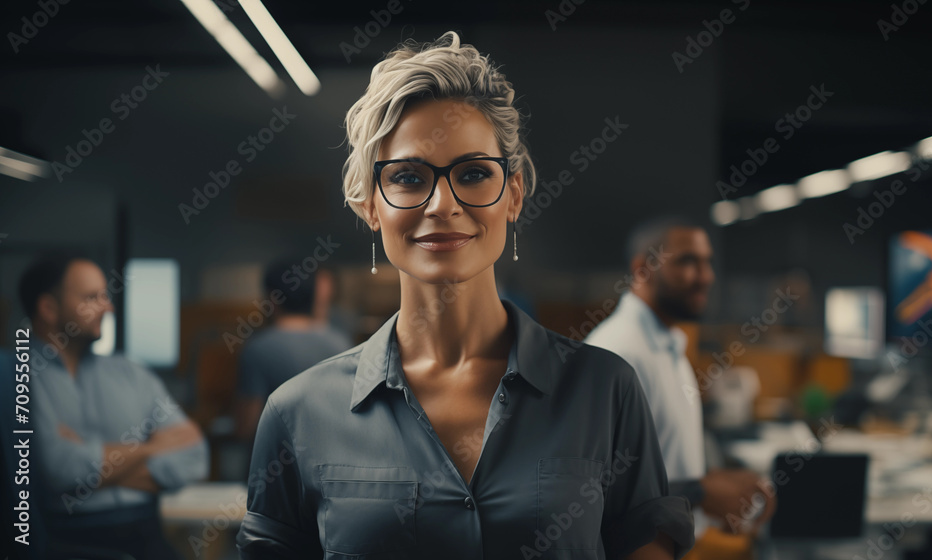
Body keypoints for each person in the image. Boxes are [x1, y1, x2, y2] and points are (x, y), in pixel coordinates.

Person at [236, 32, 694, 559]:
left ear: (513, 195)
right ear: (370, 206)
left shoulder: (605, 391)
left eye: (474, 173)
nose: (442, 204)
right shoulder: (297, 412)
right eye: (408, 177)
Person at [586, 217, 777, 544]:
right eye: (688, 261)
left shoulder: (667, 344)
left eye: (707, 262)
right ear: (642, 269)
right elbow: (590, 489)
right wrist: (699, 492)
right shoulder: (616, 353)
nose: (706, 276)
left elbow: (654, 466)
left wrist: (716, 483)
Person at [20, 254, 209, 560]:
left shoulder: (132, 373)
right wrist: (150, 447)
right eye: (91, 298)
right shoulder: (16, 377)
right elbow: (56, 469)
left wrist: (89, 455)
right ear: (48, 308)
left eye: (105, 296)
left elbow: (194, 457)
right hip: (64, 541)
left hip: (147, 533)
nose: (108, 307)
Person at [234, 258, 353, 441]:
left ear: (272, 299)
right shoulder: (341, 343)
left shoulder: (258, 349)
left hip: (275, 461)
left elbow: (247, 426)